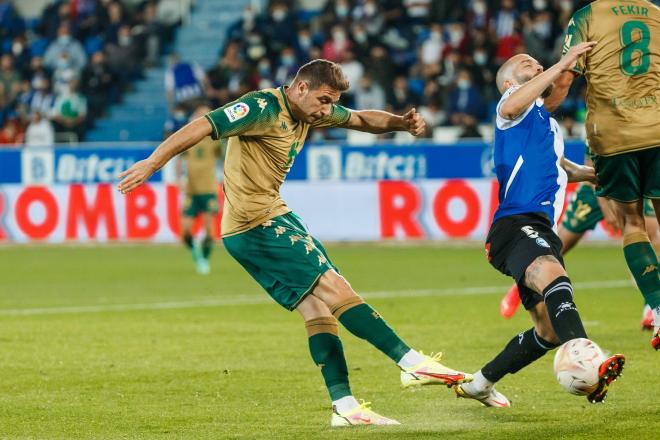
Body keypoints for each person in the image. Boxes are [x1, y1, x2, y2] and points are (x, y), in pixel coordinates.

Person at [118, 59, 472, 427]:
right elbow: (203, 125)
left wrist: (400, 122)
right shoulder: (260, 107)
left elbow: (361, 119)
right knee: (334, 286)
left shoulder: (313, 112)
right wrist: (153, 163)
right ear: (300, 87)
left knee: (318, 308)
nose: (325, 110)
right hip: (253, 226)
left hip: (273, 216)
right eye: (322, 100)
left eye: (329, 102)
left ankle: (345, 407)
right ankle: (411, 363)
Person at [454, 46, 625, 407]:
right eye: (524, 63)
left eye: (538, 62)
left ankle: (480, 383)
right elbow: (522, 100)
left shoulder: (544, 127)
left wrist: (598, 176)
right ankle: (586, 357)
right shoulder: (509, 110)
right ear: (508, 82)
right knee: (551, 275)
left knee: (546, 331)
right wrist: (564, 62)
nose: (535, 63)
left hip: (538, 227)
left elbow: (567, 170)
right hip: (515, 223)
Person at [550, 0, 660, 350]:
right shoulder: (657, 15)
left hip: (613, 135)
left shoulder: (587, 16)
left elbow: (566, 77)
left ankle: (657, 307)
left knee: (632, 223)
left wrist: (536, 109)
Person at [175, 105, 222, 275]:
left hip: (209, 188)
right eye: (199, 115)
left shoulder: (215, 138)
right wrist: (178, 178)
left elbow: (224, 158)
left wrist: (226, 180)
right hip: (191, 190)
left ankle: (204, 260)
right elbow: (179, 158)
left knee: (210, 232)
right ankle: (197, 253)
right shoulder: (189, 137)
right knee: (185, 230)